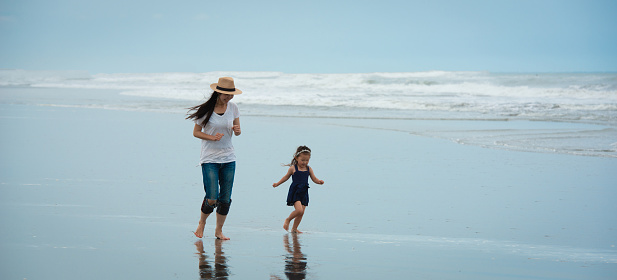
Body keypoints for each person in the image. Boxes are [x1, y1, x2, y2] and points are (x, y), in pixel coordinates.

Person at [187, 77, 242, 240]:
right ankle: (202, 223)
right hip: (210, 158)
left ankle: (218, 231)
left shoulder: (233, 107)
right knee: (212, 197)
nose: (229, 97)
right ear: (218, 92)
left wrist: (237, 130)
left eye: (231, 94)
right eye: (226, 94)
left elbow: (237, 131)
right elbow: (196, 132)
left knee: (225, 198)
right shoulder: (207, 110)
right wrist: (212, 137)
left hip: (229, 158)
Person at [273, 146, 324, 233]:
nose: (304, 162)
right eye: (302, 160)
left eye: (307, 160)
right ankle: (288, 219)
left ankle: (294, 229)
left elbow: (314, 179)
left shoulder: (309, 169)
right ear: (296, 158)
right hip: (295, 191)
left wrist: (319, 181)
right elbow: (285, 177)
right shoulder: (293, 168)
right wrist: (277, 183)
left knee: (302, 213)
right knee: (299, 210)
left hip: (304, 192)